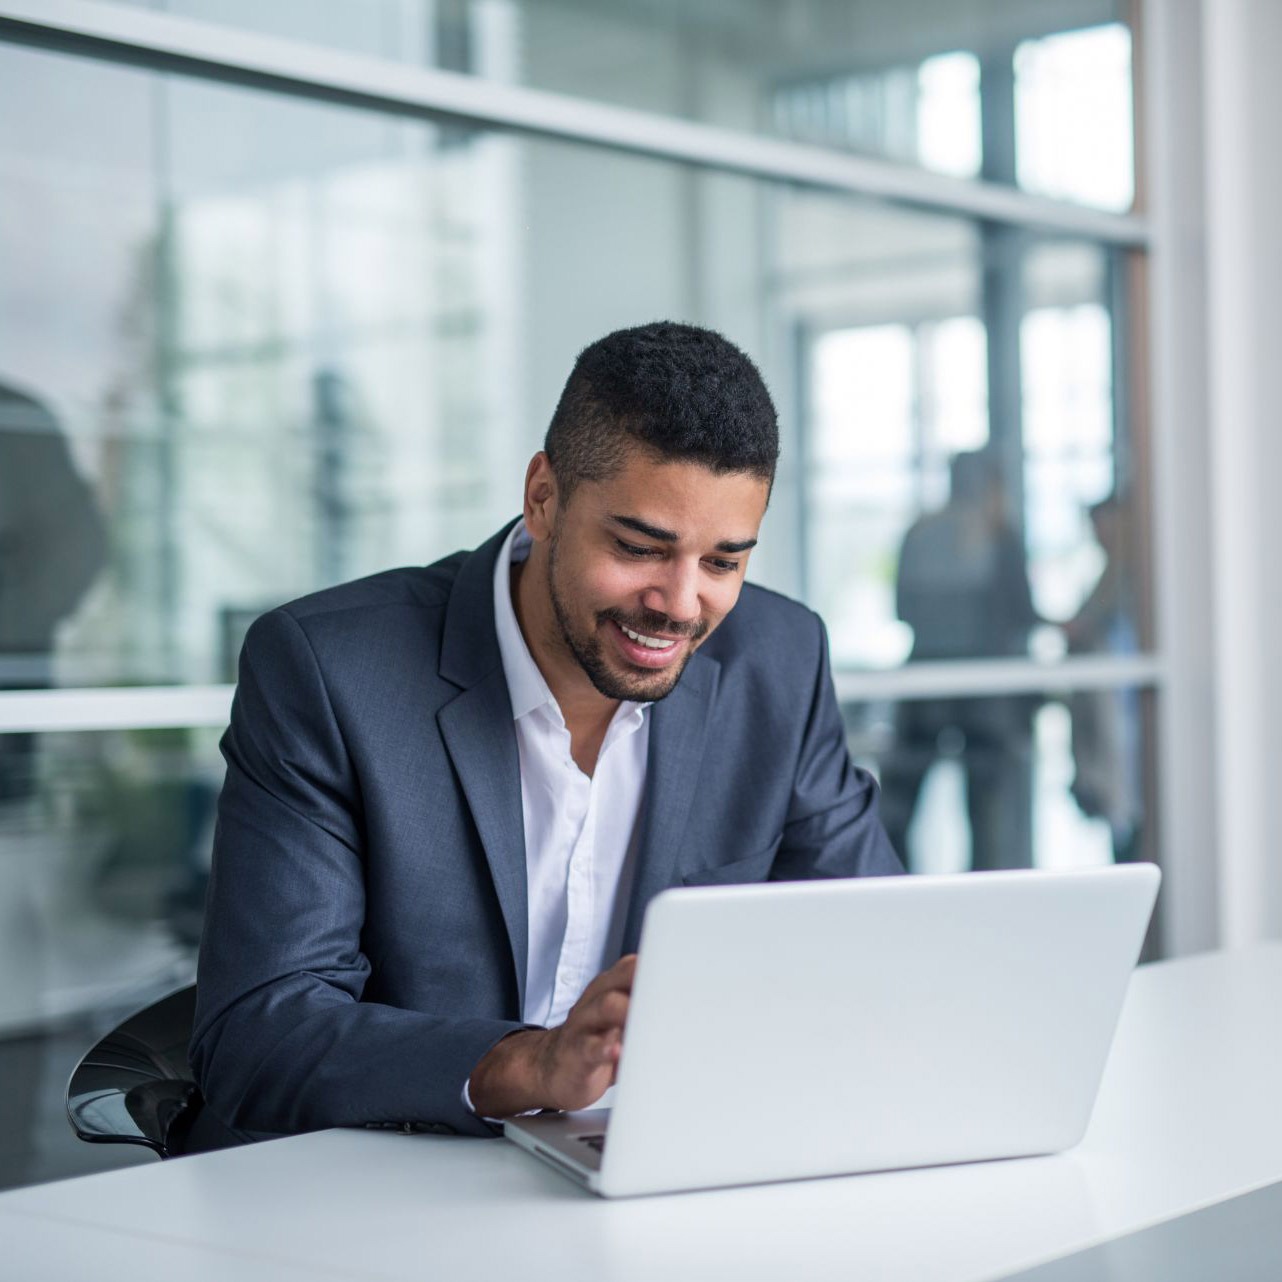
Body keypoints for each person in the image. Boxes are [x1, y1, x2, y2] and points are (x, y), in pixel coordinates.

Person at [191, 322, 902, 1141]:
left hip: (658, 1173)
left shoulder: (778, 661)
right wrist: (528, 1064)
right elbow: (256, 1035)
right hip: (382, 1184)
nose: (678, 603)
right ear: (543, 498)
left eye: (723, 563)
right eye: (640, 548)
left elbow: (870, 949)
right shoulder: (330, 672)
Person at [879, 450, 1040, 871]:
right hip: (984, 693)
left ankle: (896, 894)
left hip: (924, 683)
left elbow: (902, 610)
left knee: (900, 804)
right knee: (987, 812)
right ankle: (988, 907)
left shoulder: (919, 532)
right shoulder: (998, 536)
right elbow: (1021, 613)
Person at [1063, 494, 1143, 862]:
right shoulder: (1108, 576)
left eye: (1104, 525)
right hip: (1108, 709)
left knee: (1126, 800)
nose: (1099, 535)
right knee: (1118, 810)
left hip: (1126, 708)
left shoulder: (1136, 577)